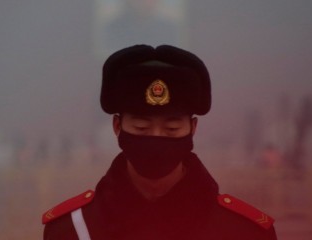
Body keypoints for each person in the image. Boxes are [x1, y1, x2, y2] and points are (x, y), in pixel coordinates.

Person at [42, 45, 277, 239]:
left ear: (193, 128)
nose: (156, 137)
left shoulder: (244, 232)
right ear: (117, 126)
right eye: (142, 127)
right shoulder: (72, 229)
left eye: (172, 128)